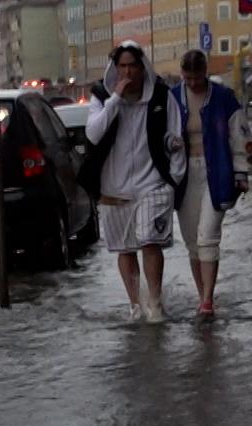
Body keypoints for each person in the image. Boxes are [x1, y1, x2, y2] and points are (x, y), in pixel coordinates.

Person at [80, 42, 187, 323]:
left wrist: (173, 180)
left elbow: (176, 138)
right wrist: (114, 99)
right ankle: (135, 305)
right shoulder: (102, 96)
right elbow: (92, 133)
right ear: (115, 69)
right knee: (125, 248)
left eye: (133, 66)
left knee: (150, 242)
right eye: (122, 67)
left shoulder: (161, 96)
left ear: (142, 68)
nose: (127, 72)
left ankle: (154, 302)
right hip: (113, 188)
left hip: (152, 183)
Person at [174, 52, 252, 317]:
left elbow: (239, 135)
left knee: (208, 235)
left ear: (206, 72)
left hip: (217, 172)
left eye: (198, 77)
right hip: (185, 175)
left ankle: (208, 300)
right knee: (192, 242)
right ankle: (202, 296)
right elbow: (161, 134)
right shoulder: (174, 98)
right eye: (188, 78)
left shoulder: (223, 98)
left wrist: (242, 173)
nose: (194, 83)